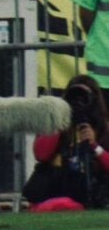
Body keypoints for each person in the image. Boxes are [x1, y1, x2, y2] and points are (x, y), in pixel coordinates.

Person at [23, 76, 109, 209]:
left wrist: (95, 146)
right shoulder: (54, 123)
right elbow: (41, 155)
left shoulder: (103, 127)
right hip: (54, 187)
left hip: (89, 190)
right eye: (74, 96)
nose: (78, 101)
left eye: (84, 97)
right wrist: (60, 122)